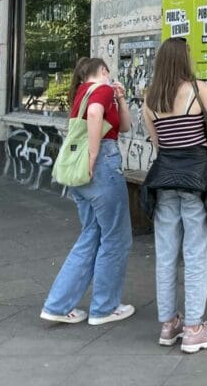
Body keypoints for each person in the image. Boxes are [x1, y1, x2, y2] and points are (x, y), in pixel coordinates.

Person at [141, 38, 207, 353]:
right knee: (195, 254)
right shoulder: (197, 89)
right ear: (184, 59)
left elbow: (158, 143)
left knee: (166, 254)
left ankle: (169, 324)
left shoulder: (150, 98)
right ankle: (194, 329)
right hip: (196, 182)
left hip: (163, 181)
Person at [41, 57, 135, 325]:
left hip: (79, 175)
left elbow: (124, 126)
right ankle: (105, 308)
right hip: (102, 167)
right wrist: (94, 155)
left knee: (91, 235)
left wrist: (121, 99)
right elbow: (95, 114)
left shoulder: (81, 93)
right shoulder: (101, 89)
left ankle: (57, 305)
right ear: (103, 70)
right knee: (116, 238)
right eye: (108, 72)